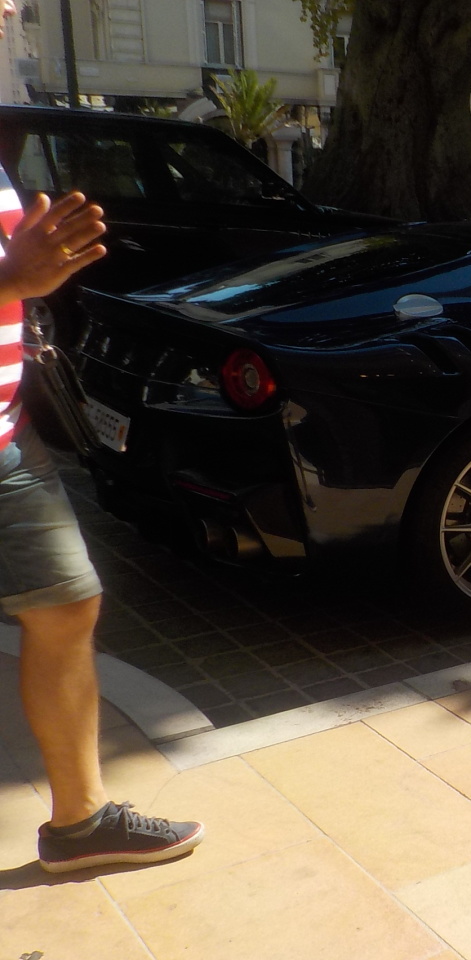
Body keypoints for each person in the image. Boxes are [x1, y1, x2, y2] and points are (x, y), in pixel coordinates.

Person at [0, 3, 204, 873]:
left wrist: (28, 276)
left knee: (67, 604)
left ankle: (79, 825)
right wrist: (14, 277)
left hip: (4, 438)